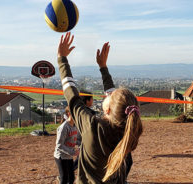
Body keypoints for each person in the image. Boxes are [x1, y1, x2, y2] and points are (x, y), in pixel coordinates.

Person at [57, 32, 143, 183]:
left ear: (108, 109)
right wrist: (103, 68)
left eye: (109, 96)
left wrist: (62, 59)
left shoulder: (92, 126)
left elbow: (71, 93)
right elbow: (117, 104)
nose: (107, 95)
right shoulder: (127, 131)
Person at [54, 106, 79, 184]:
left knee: (71, 178)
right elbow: (59, 145)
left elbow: (75, 139)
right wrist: (72, 152)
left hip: (69, 156)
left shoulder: (75, 126)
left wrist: (81, 145)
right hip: (60, 156)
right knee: (64, 179)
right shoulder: (64, 127)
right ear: (69, 114)